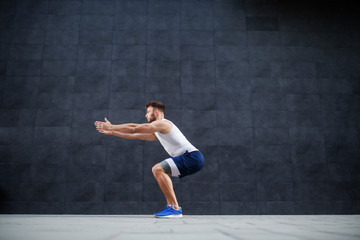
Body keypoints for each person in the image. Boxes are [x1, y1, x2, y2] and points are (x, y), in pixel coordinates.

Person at [94, 101, 204, 218]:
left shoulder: (163, 124)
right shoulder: (158, 130)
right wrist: (113, 132)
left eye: (148, 112)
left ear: (156, 112)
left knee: (158, 169)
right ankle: (172, 207)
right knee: (159, 170)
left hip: (192, 157)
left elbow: (135, 128)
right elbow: (136, 135)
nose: (146, 115)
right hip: (192, 159)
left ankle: (175, 208)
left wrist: (112, 126)